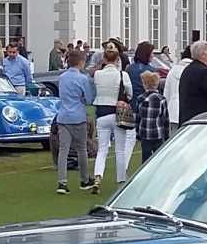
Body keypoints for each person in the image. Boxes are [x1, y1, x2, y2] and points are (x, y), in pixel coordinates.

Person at [52, 47, 96, 195]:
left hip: (63, 116)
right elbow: (89, 99)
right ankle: (84, 180)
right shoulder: (82, 78)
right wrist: (82, 99)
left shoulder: (62, 77)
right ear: (81, 62)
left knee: (63, 151)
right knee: (81, 149)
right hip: (78, 117)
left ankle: (62, 182)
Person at [91, 44, 135, 188]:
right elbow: (130, 93)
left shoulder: (97, 74)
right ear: (117, 60)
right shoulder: (123, 75)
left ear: (104, 58)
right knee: (120, 150)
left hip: (101, 113)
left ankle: (98, 176)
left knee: (102, 149)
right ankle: (121, 180)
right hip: (118, 113)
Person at [133, 69, 169, 162]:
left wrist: (137, 134)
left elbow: (137, 118)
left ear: (144, 84)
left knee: (146, 159)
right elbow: (165, 119)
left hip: (145, 134)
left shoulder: (140, 98)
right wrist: (166, 135)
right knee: (159, 159)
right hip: (158, 133)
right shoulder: (162, 99)